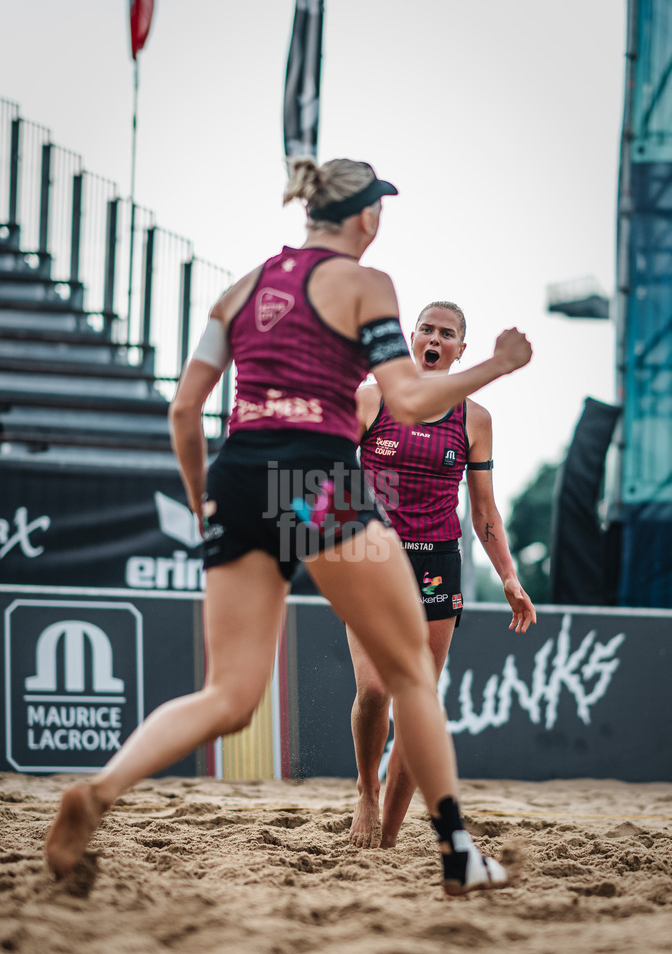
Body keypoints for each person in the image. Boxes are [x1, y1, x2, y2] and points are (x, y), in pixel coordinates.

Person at [45, 157, 532, 896]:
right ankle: (459, 854)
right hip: (314, 481)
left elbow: (184, 409)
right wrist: (496, 363)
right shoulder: (366, 284)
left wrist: (204, 502)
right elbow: (407, 400)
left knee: (229, 696)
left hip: (239, 477)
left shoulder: (241, 288)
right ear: (365, 216)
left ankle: (99, 789)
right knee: (410, 675)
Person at [347, 300, 537, 851]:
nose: (434, 339)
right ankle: (365, 789)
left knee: (418, 705)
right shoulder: (371, 398)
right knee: (375, 689)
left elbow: (484, 510)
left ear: (460, 349)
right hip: (372, 560)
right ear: (412, 338)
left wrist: (509, 577)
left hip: (436, 563)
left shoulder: (475, 419)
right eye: (426, 329)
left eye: (446, 333)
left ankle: (386, 837)